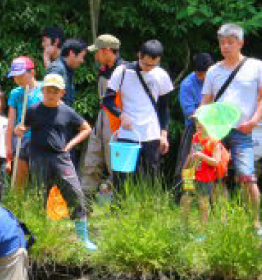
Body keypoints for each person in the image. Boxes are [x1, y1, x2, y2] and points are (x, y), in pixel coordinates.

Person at [15, 73, 96, 249]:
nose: (51, 94)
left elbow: (86, 128)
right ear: (42, 90)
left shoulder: (67, 111)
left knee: (75, 193)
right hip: (38, 158)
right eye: (48, 90)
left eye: (55, 91)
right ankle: (39, 235)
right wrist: (19, 129)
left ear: (62, 92)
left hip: (61, 158)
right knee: (38, 196)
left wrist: (70, 145)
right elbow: (21, 128)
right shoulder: (33, 110)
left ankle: (83, 238)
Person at [200, 23, 262, 233]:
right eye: (222, 43)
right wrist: (201, 126)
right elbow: (205, 102)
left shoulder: (256, 66)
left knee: (247, 176)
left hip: (243, 129)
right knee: (217, 176)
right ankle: (223, 222)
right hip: (216, 131)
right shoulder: (213, 71)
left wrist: (254, 120)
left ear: (241, 43)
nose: (225, 47)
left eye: (230, 42)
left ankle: (255, 223)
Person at [104, 39, 173, 183]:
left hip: (151, 134)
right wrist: (121, 115)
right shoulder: (122, 71)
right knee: (122, 179)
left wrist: (164, 134)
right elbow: (107, 100)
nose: (149, 68)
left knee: (150, 179)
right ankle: (120, 205)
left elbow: (164, 108)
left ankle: (146, 205)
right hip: (127, 133)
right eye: (146, 64)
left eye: (153, 65)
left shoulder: (161, 75)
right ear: (139, 55)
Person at [80, 34, 125, 195]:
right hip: (102, 116)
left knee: (114, 162)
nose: (95, 56)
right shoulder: (103, 70)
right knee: (91, 157)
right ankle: (85, 201)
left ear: (106, 51)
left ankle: (120, 203)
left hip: (117, 121)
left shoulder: (125, 70)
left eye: (97, 52)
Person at [175, 52, 214, 183]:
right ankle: (185, 193)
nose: (202, 77)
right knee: (191, 162)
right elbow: (189, 112)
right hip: (195, 130)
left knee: (214, 163)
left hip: (215, 130)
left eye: (205, 73)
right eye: (199, 73)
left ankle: (211, 199)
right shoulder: (187, 84)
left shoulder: (217, 79)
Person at [6, 57, 42, 189]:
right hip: (22, 139)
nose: (17, 80)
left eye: (21, 75)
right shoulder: (15, 93)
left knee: (40, 180)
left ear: (32, 72)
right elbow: (11, 122)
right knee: (19, 181)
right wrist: (8, 146)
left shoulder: (45, 89)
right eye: (15, 77)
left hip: (41, 139)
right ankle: (18, 206)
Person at [180, 120, 224, 227]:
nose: (198, 124)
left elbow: (216, 162)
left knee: (203, 203)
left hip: (205, 177)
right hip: (191, 173)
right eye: (196, 122)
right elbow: (191, 154)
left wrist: (202, 156)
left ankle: (203, 230)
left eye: (202, 122)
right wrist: (184, 168)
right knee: (185, 199)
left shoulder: (214, 142)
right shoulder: (196, 137)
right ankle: (183, 226)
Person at [46, 38, 87, 107]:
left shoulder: (68, 69)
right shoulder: (57, 69)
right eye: (82, 56)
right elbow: (51, 98)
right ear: (72, 53)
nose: (82, 60)